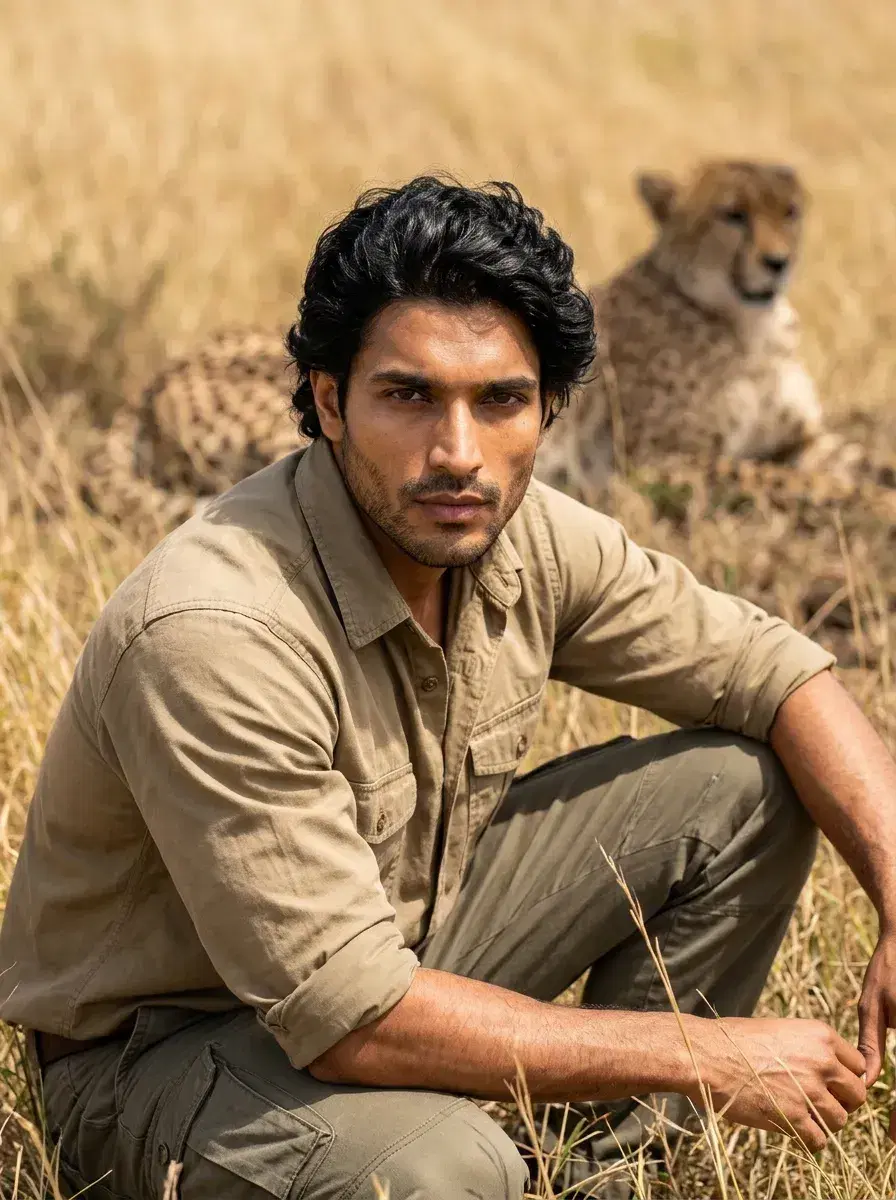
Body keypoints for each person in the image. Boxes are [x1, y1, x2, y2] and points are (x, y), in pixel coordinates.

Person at [3, 176, 896, 1200]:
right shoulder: (213, 630)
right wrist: (702, 1053)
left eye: (500, 400)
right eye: (409, 396)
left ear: (548, 408)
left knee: (742, 789)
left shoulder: (509, 527)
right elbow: (345, 1015)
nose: (458, 454)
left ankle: (595, 1180)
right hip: (166, 1054)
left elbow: (772, 671)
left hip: (398, 948)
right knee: (447, 1167)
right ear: (329, 402)